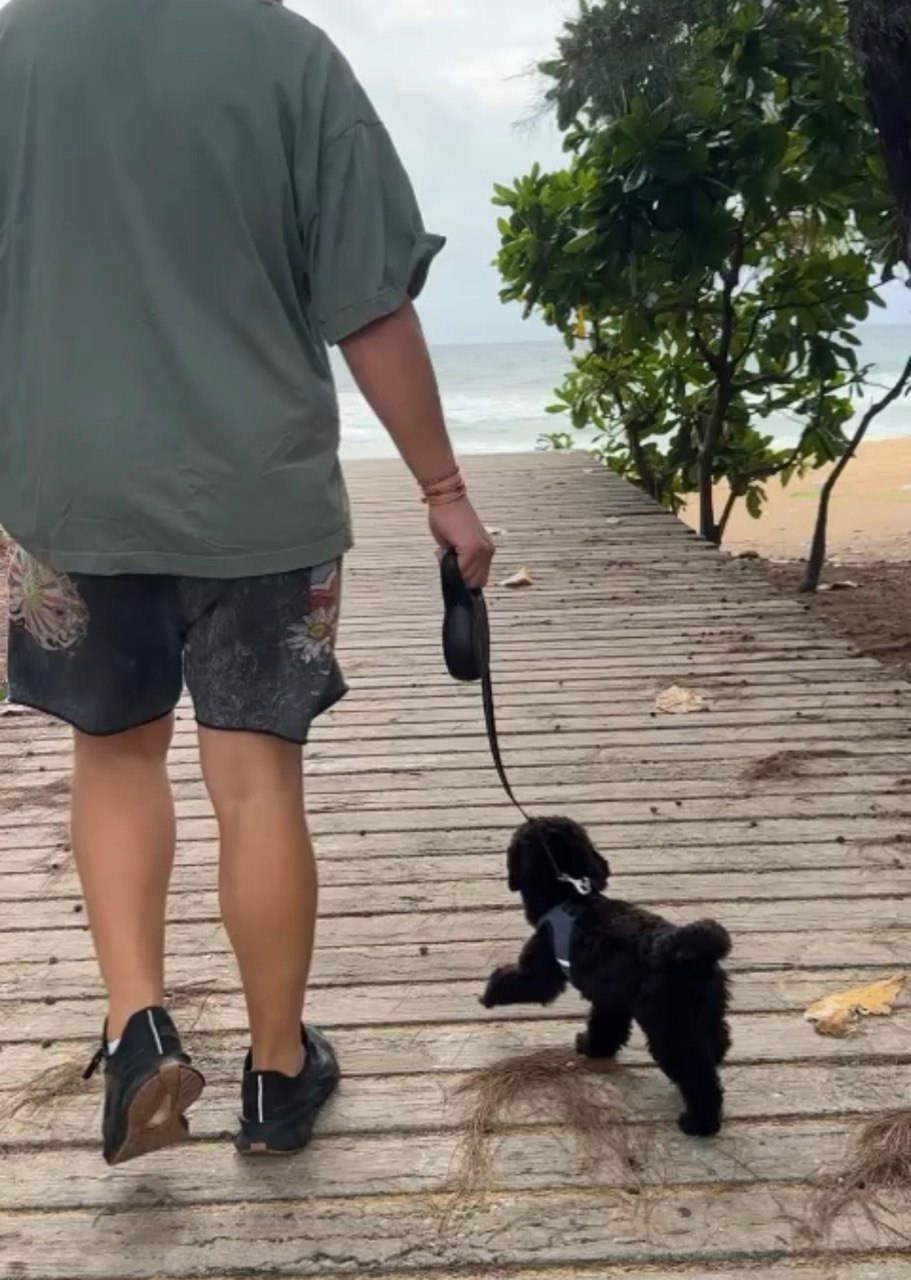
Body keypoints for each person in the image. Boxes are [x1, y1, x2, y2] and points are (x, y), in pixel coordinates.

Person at [0, 0, 494, 1165]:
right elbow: (369, 299)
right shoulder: (286, 56)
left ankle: (137, 1027)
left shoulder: (17, 51)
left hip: (72, 496)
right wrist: (442, 487)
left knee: (115, 755)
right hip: (258, 494)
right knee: (255, 779)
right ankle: (276, 1075)